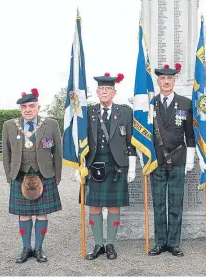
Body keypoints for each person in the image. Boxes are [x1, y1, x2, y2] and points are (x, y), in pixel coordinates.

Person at [2, 88, 62, 263]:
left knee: (42, 213)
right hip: (19, 175)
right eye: (24, 107)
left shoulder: (51, 124)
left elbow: (58, 152)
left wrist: (57, 176)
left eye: (31, 106)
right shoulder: (9, 125)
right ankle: (26, 248)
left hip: (45, 174)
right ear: (20, 109)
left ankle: (39, 249)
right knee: (24, 214)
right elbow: (6, 154)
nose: (28, 110)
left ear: (38, 107)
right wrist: (9, 177)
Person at [84, 72, 137, 260]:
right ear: (97, 92)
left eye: (108, 89)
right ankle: (98, 244)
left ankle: (111, 244)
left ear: (114, 92)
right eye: (101, 89)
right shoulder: (88, 112)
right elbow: (82, 140)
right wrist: (79, 165)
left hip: (117, 166)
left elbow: (131, 140)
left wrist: (132, 166)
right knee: (94, 207)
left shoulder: (125, 111)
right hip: (94, 165)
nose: (104, 92)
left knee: (114, 206)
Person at [148, 63, 195, 257]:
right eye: (162, 79)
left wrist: (190, 158)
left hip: (178, 158)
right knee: (158, 203)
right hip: (156, 160)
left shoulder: (185, 103)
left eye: (170, 79)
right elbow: (144, 134)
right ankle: (160, 243)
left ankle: (174, 243)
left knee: (176, 202)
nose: (166, 82)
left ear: (174, 81)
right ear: (158, 81)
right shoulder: (150, 104)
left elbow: (190, 134)